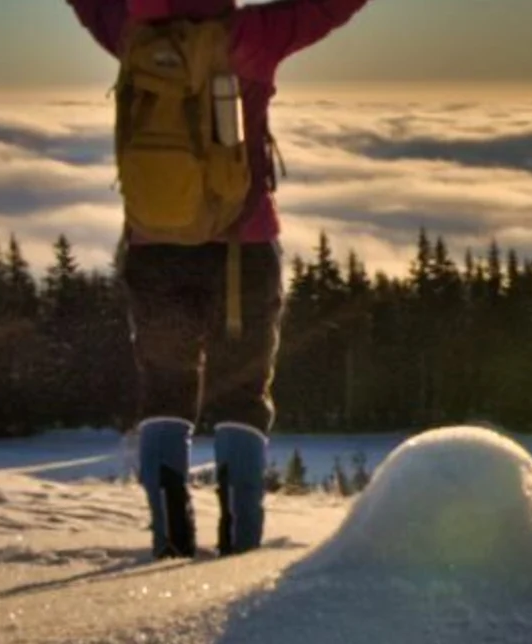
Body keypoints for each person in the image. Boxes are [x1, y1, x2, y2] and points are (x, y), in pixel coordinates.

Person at [64, 0, 375, 559]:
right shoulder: (250, 35)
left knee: (164, 390)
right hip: (242, 248)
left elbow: (89, 5)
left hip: (153, 248)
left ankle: (170, 541)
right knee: (242, 393)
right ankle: (240, 549)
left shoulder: (131, 30)